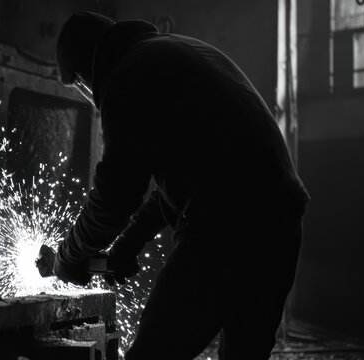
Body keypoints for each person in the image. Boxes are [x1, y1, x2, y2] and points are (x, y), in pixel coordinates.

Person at [53, 12, 309, 360]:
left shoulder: (126, 74)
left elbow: (114, 196)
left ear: (89, 66)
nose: (90, 94)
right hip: (281, 219)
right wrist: (129, 244)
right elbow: (184, 181)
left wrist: (68, 256)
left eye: (82, 85)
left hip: (226, 226)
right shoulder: (173, 51)